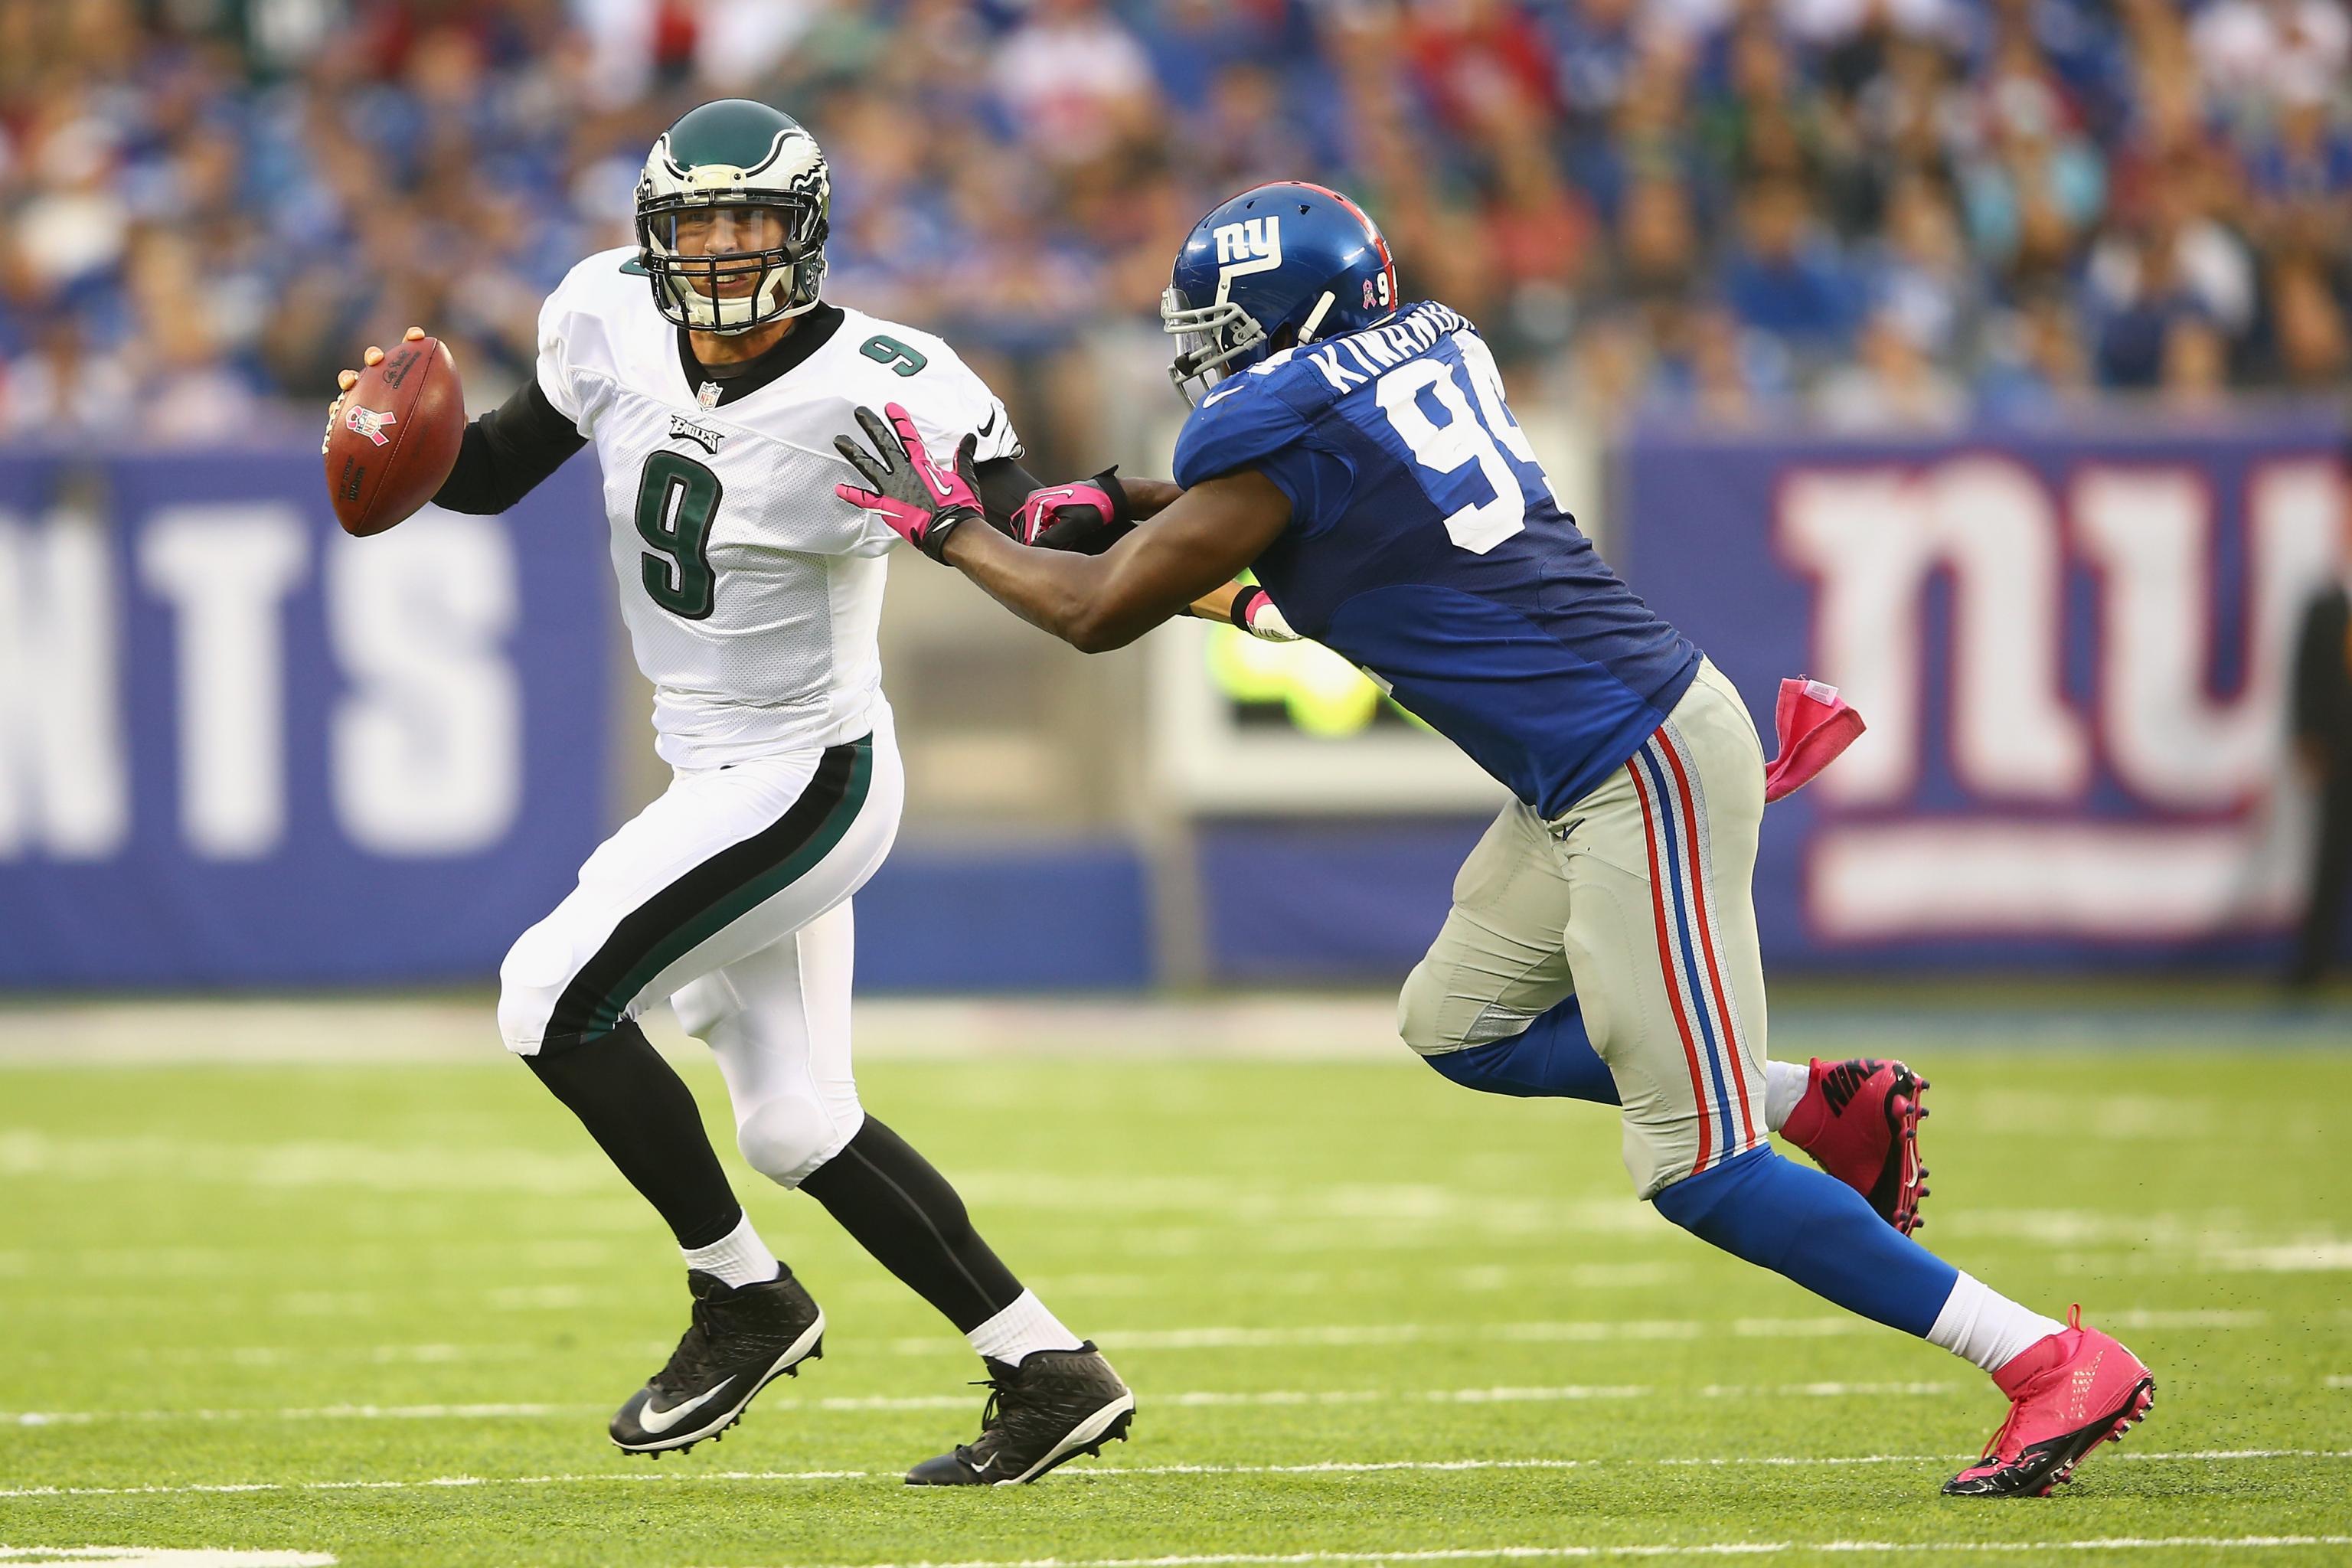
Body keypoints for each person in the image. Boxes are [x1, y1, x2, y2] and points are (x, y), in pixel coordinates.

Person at [835, 180, 2157, 1499]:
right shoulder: (1407, 356)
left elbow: (1098, 612)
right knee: (1458, 1021)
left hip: (1638, 766)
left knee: (1697, 1165)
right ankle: (1814, 1097)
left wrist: (946, 526)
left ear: (1286, 324)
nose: (1204, 357)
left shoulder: (1284, 434)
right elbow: (1273, 504)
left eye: (1224, 330)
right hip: (1581, 771)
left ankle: (2044, 1355)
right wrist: (1119, 495)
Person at [324, 100, 1164, 1486]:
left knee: (548, 994)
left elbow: (1032, 519)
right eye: (697, 222)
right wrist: (383, 433)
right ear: (654, 233)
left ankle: (743, 1295)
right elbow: (484, 473)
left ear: (808, 234)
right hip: (710, 762)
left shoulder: (886, 380)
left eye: (749, 222)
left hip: (806, 772)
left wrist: (1185, 520)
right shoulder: (602, 311)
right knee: (794, 1121)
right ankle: (1047, 1365)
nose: (720, 250)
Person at [2288, 518, 2352, 987]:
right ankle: (2313, 965)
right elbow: (2305, 678)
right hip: (2340, 753)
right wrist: (2308, 740)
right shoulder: (2326, 605)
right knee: (2329, 858)